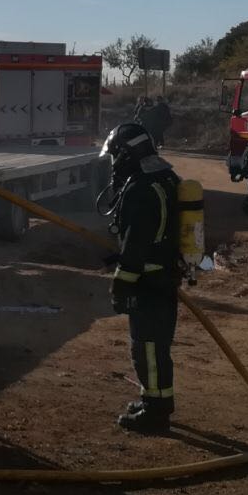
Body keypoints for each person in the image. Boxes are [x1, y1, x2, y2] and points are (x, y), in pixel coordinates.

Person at [101, 121, 182, 433]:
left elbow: (136, 246)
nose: (113, 163)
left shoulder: (139, 189)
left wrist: (120, 285)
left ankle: (156, 413)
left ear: (125, 154)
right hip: (165, 277)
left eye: (115, 156)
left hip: (148, 282)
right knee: (157, 347)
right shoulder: (167, 178)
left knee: (146, 347)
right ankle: (155, 398)